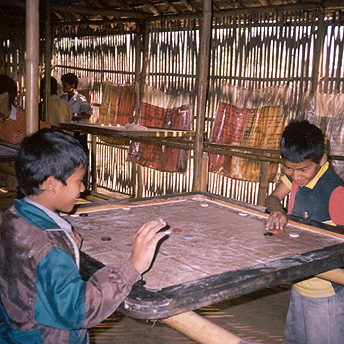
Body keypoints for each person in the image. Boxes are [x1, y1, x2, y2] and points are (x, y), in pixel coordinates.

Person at [0, 128, 169, 343]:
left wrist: (65, 243)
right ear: (51, 184)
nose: (82, 189)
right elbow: (79, 309)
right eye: (79, 181)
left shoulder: (14, 215)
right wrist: (132, 267)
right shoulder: (51, 249)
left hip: (18, 329)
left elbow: (32, 267)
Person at [265, 120, 344, 344]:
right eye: (288, 168)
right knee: (294, 338)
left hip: (325, 289)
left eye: (302, 170)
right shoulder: (297, 173)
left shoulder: (335, 193)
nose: (295, 176)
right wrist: (277, 211)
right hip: (300, 281)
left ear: (322, 161)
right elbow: (272, 198)